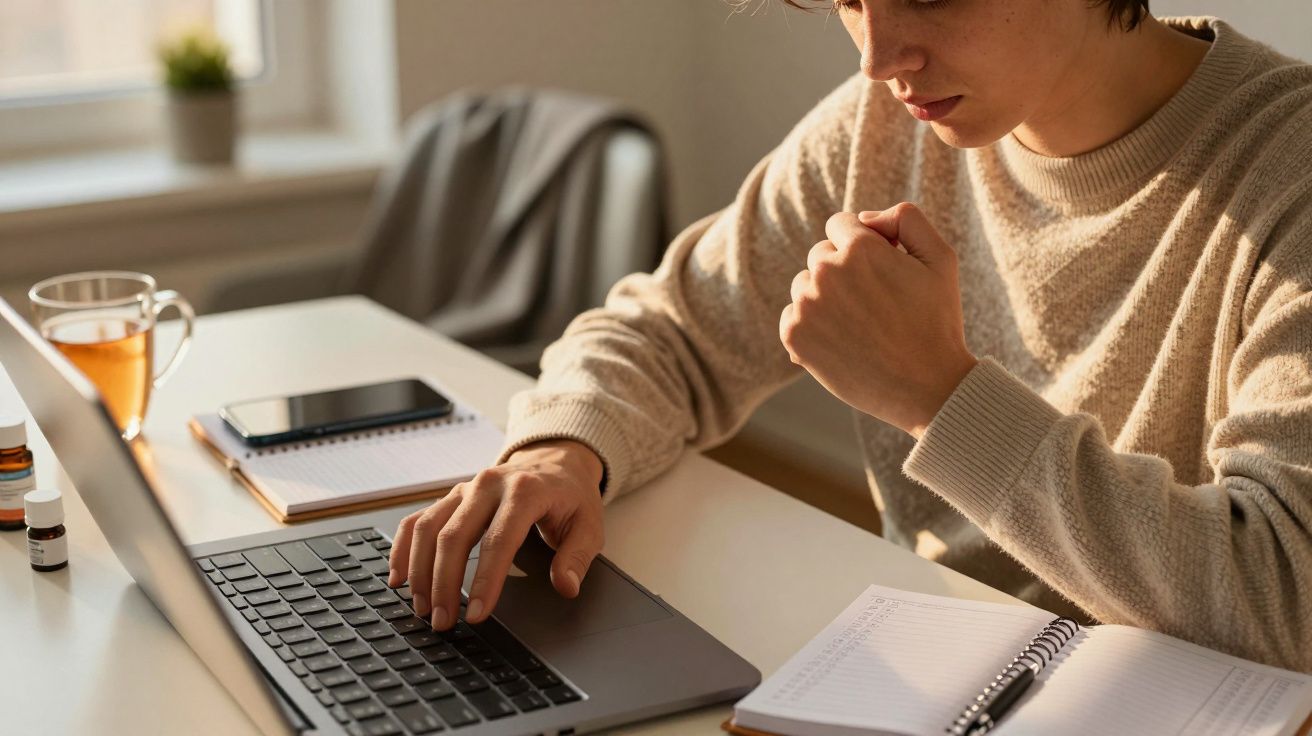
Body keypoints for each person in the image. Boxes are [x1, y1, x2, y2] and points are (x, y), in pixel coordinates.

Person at [388, 0, 1312, 670]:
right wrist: (562, 446)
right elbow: (667, 324)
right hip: (931, 670)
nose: (877, 55)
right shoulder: (882, 128)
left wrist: (942, 397)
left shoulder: (1289, 169)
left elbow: (1283, 594)